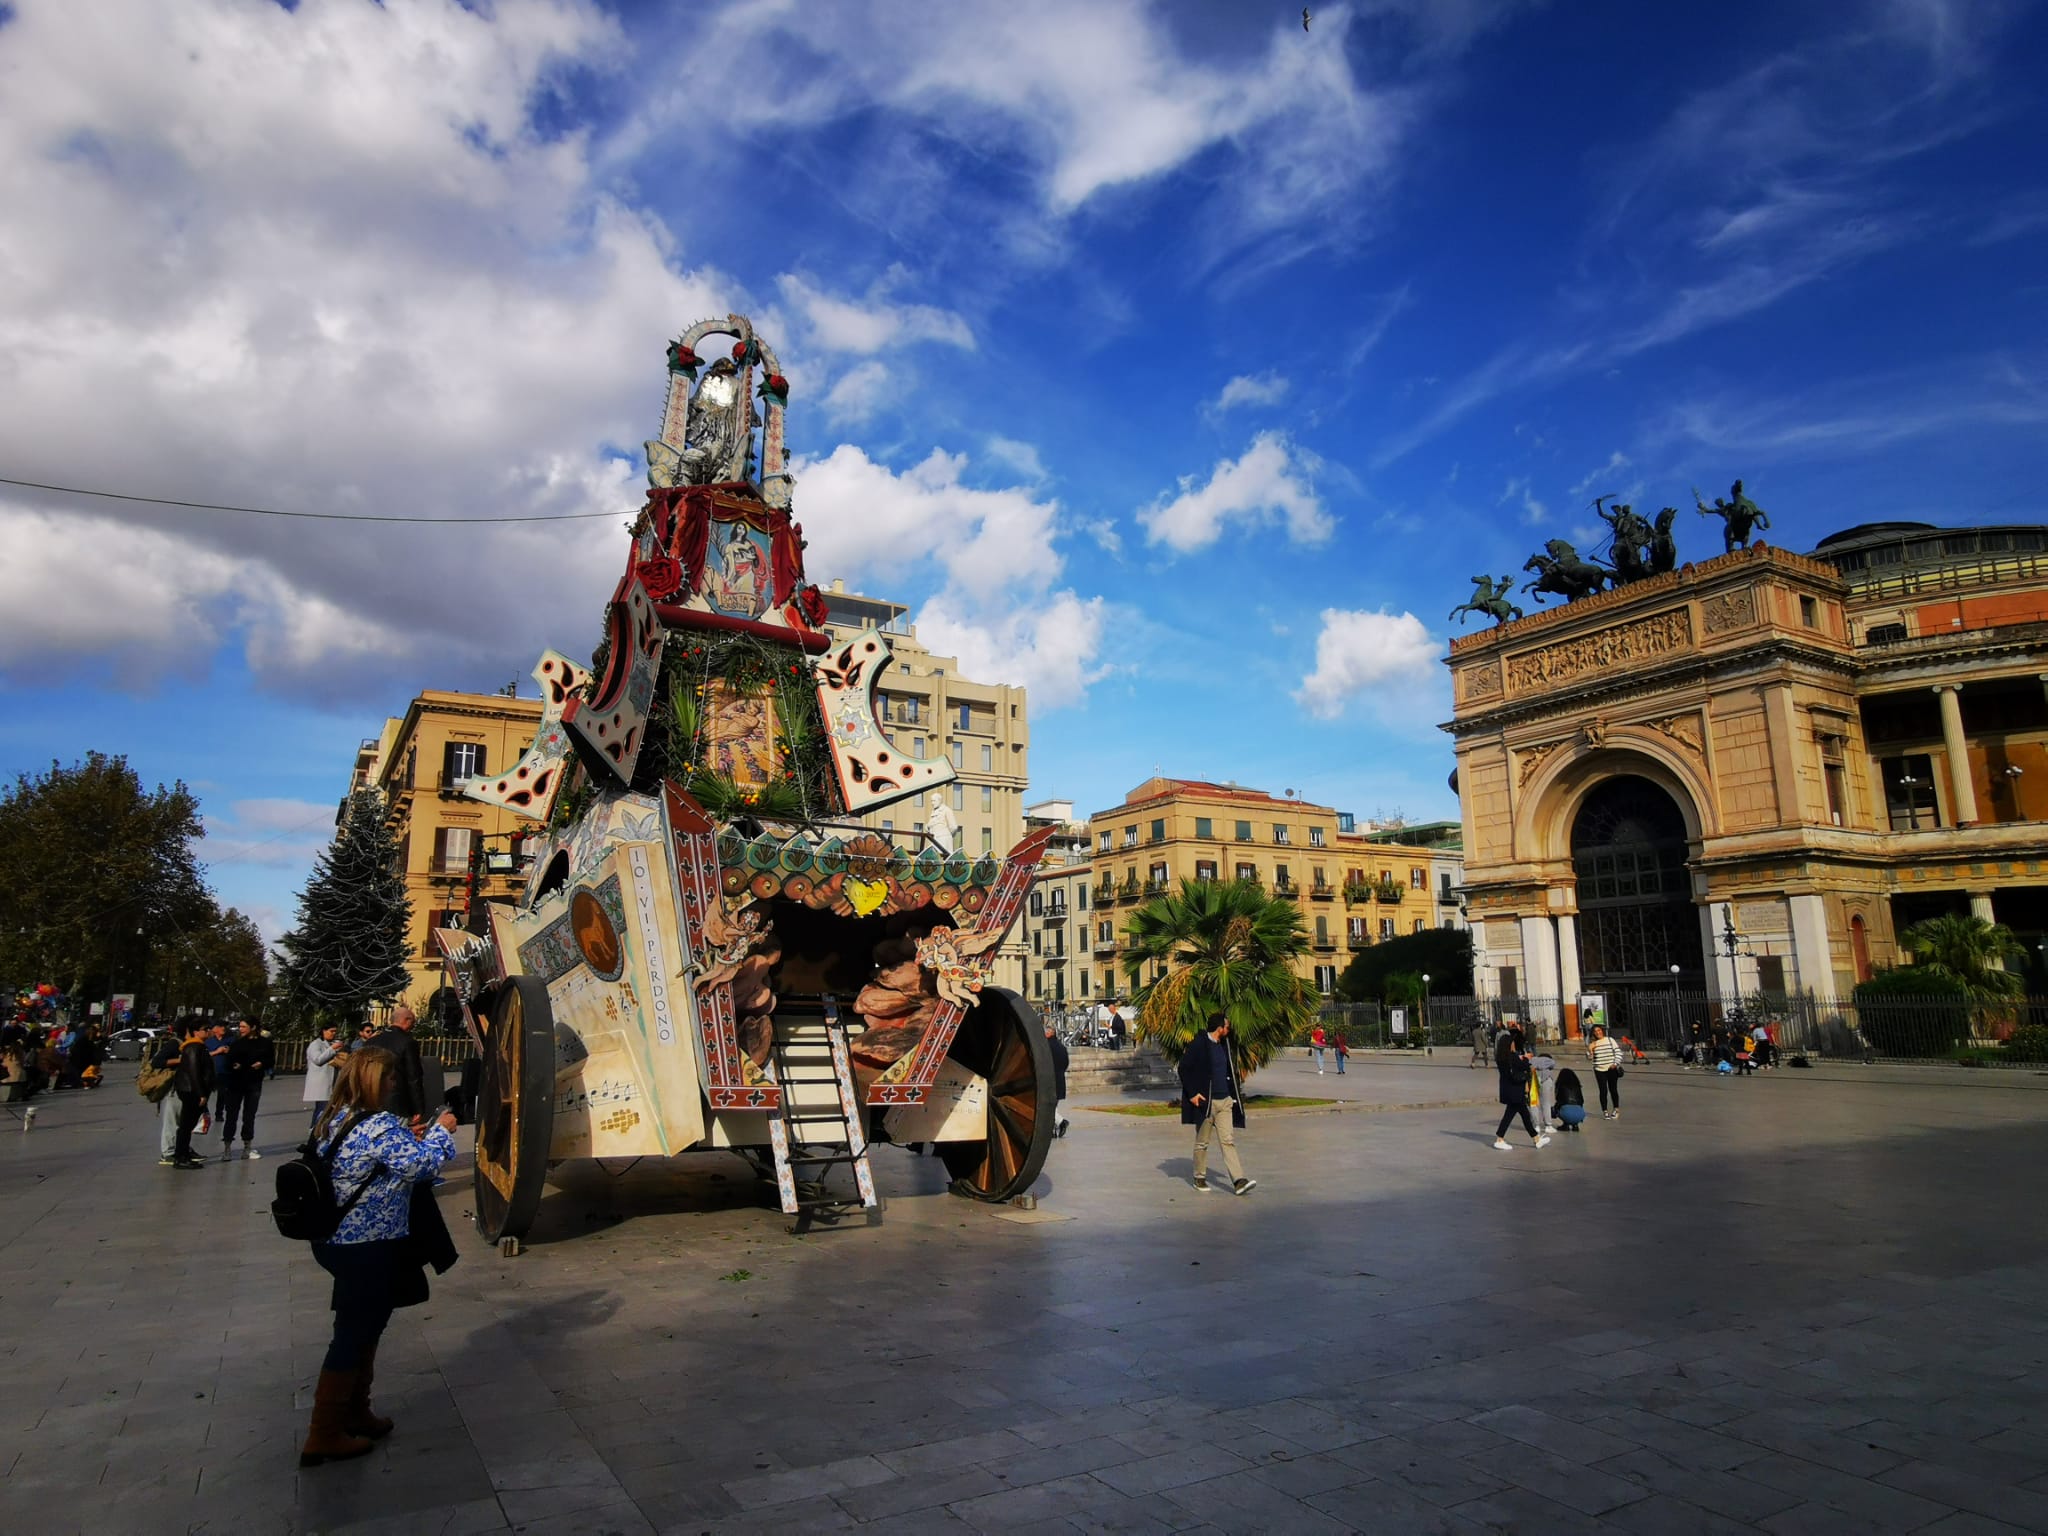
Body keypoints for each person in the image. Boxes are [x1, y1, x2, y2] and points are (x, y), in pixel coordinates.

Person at [300, 1049, 460, 1467]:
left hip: (336, 1239)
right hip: (368, 1243)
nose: (393, 1085)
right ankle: (325, 1432)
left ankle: (355, 1411)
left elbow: (385, 1160)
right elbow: (421, 1167)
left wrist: (408, 1136)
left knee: (364, 1324)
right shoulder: (378, 1126)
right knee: (354, 1333)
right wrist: (442, 1132)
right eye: (388, 1078)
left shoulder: (333, 1120)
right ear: (374, 1081)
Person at [1178, 1012, 1254, 1195]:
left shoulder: (1225, 1045)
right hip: (1206, 1102)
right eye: (1227, 1026)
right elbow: (1183, 1068)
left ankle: (1238, 1180)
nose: (1229, 1030)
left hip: (1225, 1101)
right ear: (1220, 1028)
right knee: (1202, 1142)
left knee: (1228, 1140)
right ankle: (1199, 1176)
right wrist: (1192, 1094)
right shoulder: (1199, 1044)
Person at [220, 1019, 275, 1159]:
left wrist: (261, 1064)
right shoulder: (237, 1043)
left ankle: (247, 1146)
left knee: (249, 1115)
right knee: (231, 1115)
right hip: (236, 1082)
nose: (241, 1029)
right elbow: (228, 1062)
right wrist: (234, 1066)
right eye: (240, 1026)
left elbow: (271, 1060)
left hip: (254, 1082)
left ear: (253, 1027)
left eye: (244, 1026)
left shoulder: (265, 1043)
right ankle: (227, 1147)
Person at [364, 1005, 428, 1126]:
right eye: (413, 1022)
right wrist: (418, 1108)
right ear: (406, 1020)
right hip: (397, 1102)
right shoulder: (408, 1042)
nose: (413, 1025)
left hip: (371, 1098)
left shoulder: (372, 1041)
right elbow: (413, 1076)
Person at [1492, 1025, 1549, 1151]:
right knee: (1519, 1115)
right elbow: (1523, 1065)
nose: (1514, 1044)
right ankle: (1500, 1139)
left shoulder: (1501, 1058)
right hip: (1515, 1090)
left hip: (1508, 1089)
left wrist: (1521, 1059)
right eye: (1512, 1043)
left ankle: (1536, 1139)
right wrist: (1526, 1059)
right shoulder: (1512, 1057)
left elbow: (1515, 1064)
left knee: (1521, 1115)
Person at [170, 1017, 217, 1169]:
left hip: (193, 1089)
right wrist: (201, 1093)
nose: (209, 1032)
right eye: (206, 1029)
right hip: (191, 1090)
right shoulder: (193, 1047)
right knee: (186, 1124)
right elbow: (194, 1072)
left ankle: (184, 1153)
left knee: (188, 1124)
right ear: (196, 1032)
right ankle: (180, 1156)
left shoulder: (199, 1047)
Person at [150, 1028, 185, 1165]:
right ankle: (168, 1152)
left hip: (186, 1087)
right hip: (174, 1088)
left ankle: (181, 1147)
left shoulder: (190, 1043)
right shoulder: (175, 1044)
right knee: (171, 1121)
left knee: (183, 1122)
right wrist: (179, 1060)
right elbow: (156, 1062)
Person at [304, 1025, 342, 1128]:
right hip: (320, 1083)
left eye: (335, 1031)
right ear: (323, 1031)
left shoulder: (331, 1044)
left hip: (331, 1082)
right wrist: (332, 1049)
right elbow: (318, 1060)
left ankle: (318, 1132)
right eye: (331, 1031)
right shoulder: (315, 1044)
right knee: (322, 1110)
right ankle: (314, 1132)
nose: (333, 1033)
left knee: (326, 1110)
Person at [1588, 1024, 1624, 1119]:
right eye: (1595, 1031)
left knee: (1613, 1089)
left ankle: (1616, 1109)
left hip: (1611, 1069)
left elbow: (1618, 1052)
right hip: (1599, 1069)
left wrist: (1615, 1063)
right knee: (1603, 1090)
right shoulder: (1593, 1044)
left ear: (1602, 1031)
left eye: (1599, 1030)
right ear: (1593, 1034)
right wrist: (1590, 1051)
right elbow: (1589, 1057)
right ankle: (1605, 1111)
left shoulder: (1610, 1040)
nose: (1598, 1033)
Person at [1044, 1021, 1069, 1140]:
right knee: (1054, 1106)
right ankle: (1052, 1130)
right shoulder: (1062, 1047)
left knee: (1048, 1107)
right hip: (1060, 1079)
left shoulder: (1046, 1047)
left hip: (1050, 1080)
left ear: (1050, 1033)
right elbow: (1066, 1063)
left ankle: (1061, 1122)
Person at [1553, 1066, 1587, 1132]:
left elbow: (1559, 1101)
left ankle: (1566, 1124)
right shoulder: (1577, 1086)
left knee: (1557, 1108)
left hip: (1566, 1113)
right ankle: (1575, 1125)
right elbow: (1581, 1101)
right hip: (1580, 1114)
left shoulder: (1561, 1086)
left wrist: (1555, 1110)